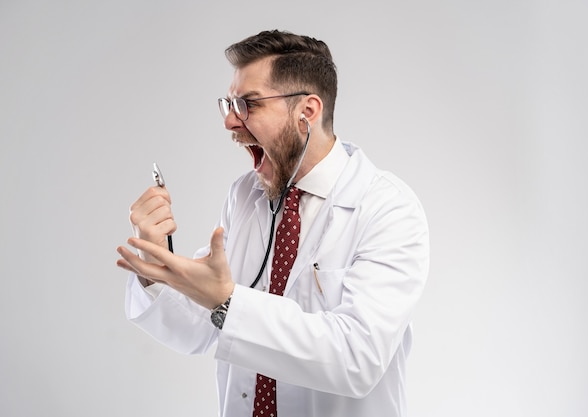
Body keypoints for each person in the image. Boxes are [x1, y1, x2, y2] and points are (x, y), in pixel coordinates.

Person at [116, 29, 429, 417]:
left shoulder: (387, 208)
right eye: (229, 104)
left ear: (307, 113)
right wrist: (156, 266)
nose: (230, 121)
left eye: (248, 104)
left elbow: (357, 359)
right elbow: (200, 327)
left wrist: (226, 300)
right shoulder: (245, 195)